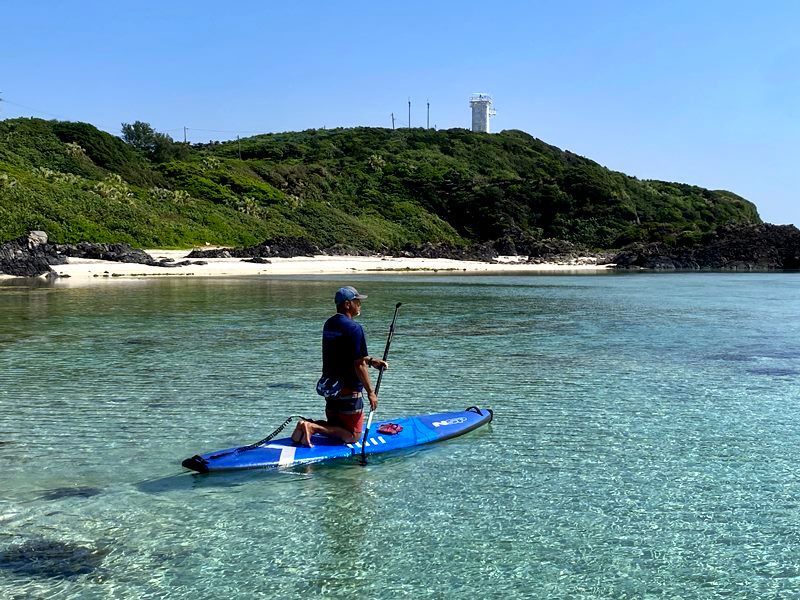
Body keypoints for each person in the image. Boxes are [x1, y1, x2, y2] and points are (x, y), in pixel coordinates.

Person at [291, 286, 388, 447]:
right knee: (352, 436)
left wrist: (371, 361)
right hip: (349, 390)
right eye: (357, 301)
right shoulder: (354, 328)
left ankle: (304, 425)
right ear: (348, 304)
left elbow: (344, 353)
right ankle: (312, 427)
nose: (360, 305)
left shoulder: (329, 324)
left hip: (331, 388)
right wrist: (371, 392)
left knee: (338, 427)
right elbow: (358, 364)